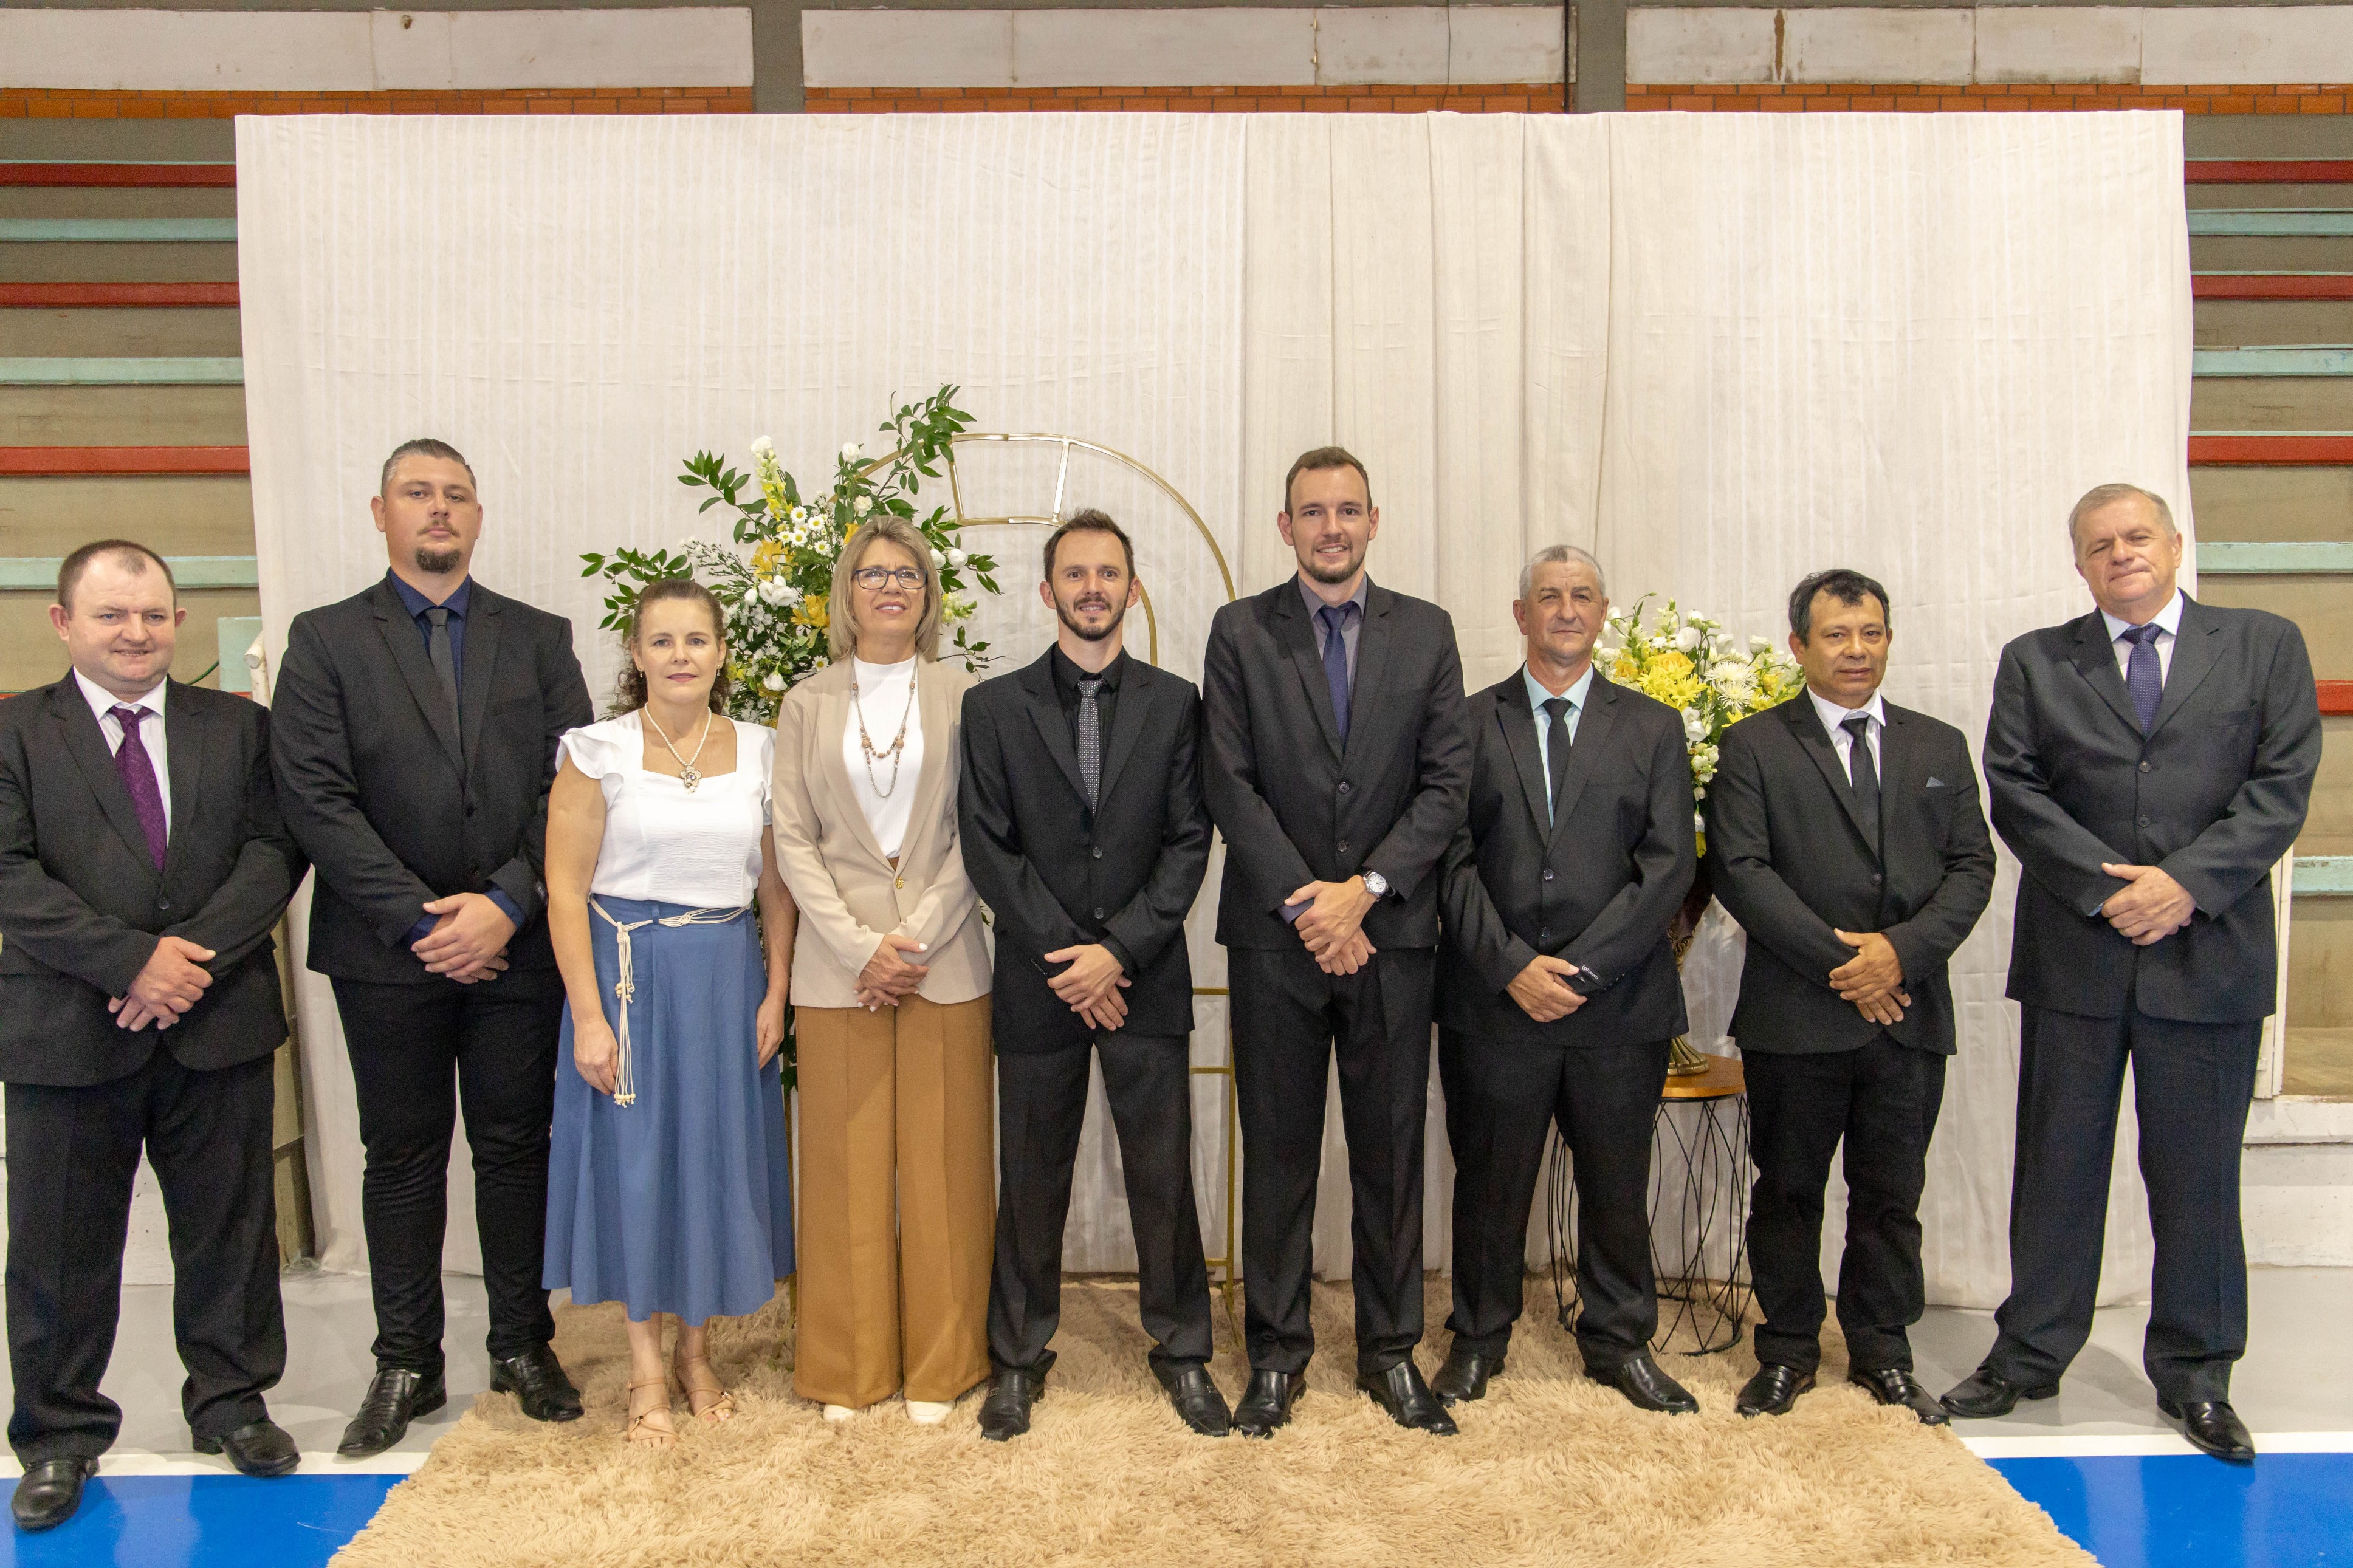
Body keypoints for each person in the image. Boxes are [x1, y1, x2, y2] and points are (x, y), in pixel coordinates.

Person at [1943, 484, 2320, 1462]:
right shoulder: (2037, 659)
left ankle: (2198, 1373)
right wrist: (2110, 892)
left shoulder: (2265, 644)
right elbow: (2015, 788)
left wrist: (2185, 885)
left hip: (2210, 954)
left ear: (2176, 543)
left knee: (2198, 1177)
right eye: (2100, 543)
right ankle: (2029, 1355)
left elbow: (2282, 785)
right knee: (2056, 1167)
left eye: (2137, 535)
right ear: (2080, 563)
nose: (2122, 553)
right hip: (2079, 955)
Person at [272, 439, 594, 1456]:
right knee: (402, 1152)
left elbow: (571, 787)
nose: (439, 508)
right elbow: (314, 797)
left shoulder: (537, 638)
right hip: (385, 953)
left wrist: (504, 903)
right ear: (382, 513)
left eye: (456, 494)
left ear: (478, 516)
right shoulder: (325, 640)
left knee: (516, 1145)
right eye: (418, 492)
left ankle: (521, 1341)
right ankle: (406, 1359)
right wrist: (424, 921)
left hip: (517, 946)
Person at [0, 543, 306, 1531]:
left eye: (153, 614)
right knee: (58, 1244)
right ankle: (58, 1432)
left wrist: (187, 964)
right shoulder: (14, 732)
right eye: (111, 615)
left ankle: (232, 1401)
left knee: (230, 1228)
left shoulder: (241, 728)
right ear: (63, 622)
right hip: (66, 1029)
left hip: (215, 1019)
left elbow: (275, 850)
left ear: (177, 619)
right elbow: (9, 874)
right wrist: (131, 961)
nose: (136, 633)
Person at [1201, 445, 1471, 1437]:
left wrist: (1364, 893)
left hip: (1391, 937)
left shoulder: (1428, 631)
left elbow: (1447, 782)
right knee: (1278, 1154)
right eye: (1312, 512)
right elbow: (1229, 782)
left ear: (1373, 520)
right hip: (1277, 942)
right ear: (1286, 527)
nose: (1330, 527)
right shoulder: (1239, 631)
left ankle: (1391, 1352)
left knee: (1391, 1155)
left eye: (1347, 509)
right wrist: (1311, 908)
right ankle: (1277, 1356)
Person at [1706, 569, 1994, 1426]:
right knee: (1788, 1189)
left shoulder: (1939, 746)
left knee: (1890, 1195)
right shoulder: (1753, 745)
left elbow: (1973, 867)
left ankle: (1882, 1351)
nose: (1856, 650)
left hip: (1908, 1015)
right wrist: (1850, 966)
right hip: (1797, 1017)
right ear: (1800, 646)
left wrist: (1898, 956)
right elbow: (1741, 872)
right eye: (1836, 635)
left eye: (1870, 633)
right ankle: (1788, 1349)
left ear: (1889, 640)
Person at [958, 511, 1220, 1441]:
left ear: (1133, 590)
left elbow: (1190, 840)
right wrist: (1071, 957)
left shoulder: (1177, 702)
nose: (1093, 587)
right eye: (1076, 573)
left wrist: (1121, 951)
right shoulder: (993, 707)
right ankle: (1018, 1358)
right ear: (1048, 591)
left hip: (1145, 978)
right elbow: (989, 848)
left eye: (1109, 573)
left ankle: (1184, 1351)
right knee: (1031, 1176)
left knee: (1163, 1176)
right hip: (1041, 981)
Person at [1433, 545, 1699, 1416]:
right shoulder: (1467, 722)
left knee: (1616, 1185)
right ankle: (1478, 1339)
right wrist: (1513, 966)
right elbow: (1447, 858)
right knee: (1489, 1185)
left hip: (1617, 1005)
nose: (1566, 609)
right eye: (1549, 596)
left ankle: (1619, 1341)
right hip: (1495, 1002)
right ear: (1521, 615)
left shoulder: (1654, 726)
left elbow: (1669, 865)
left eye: (1582, 595)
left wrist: (1584, 970)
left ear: (1603, 612)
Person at [540, 578, 797, 1447]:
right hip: (626, 979)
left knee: (711, 1161)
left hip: (724, 977)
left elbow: (776, 887)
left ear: (721, 652)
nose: (680, 655)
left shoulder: (762, 749)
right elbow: (565, 892)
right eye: (662, 640)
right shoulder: (597, 751)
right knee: (640, 1164)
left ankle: (696, 1353)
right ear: (636, 654)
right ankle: (646, 1364)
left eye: (696, 639)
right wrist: (588, 1017)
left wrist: (776, 992)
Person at [771, 515, 992, 1423]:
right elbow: (791, 839)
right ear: (847, 593)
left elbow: (981, 832)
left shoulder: (967, 697)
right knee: (843, 1171)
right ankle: (849, 1367)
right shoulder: (805, 703)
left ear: (928, 594)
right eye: (873, 573)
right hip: (839, 971)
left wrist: (915, 938)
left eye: (907, 574)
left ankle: (945, 1364)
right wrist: (863, 947)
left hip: (946, 963)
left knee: (947, 1169)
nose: (891, 587)